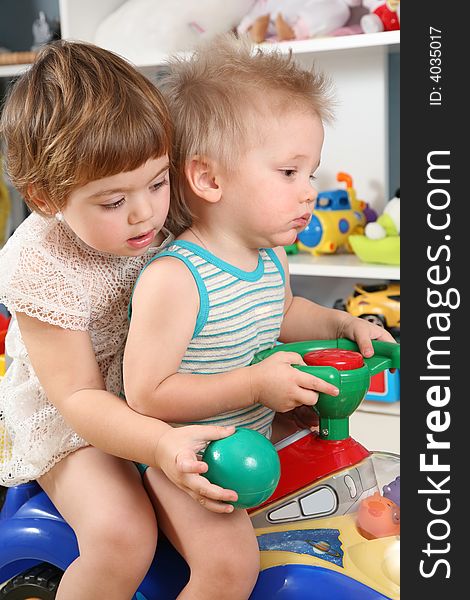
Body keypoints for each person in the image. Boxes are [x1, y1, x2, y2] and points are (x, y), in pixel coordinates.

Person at [123, 33, 397, 599]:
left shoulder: (270, 256)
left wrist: (343, 325)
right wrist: (253, 382)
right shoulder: (176, 278)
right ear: (209, 179)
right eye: (289, 172)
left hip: (251, 437)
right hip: (183, 458)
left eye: (312, 172)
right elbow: (146, 395)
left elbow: (286, 312)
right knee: (231, 568)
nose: (310, 191)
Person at [0, 40, 238, 600]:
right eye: (112, 202)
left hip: (152, 387)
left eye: (157, 183)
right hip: (75, 418)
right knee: (123, 537)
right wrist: (156, 444)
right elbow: (79, 397)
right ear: (45, 196)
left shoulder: (154, 207)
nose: (146, 212)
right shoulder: (39, 264)